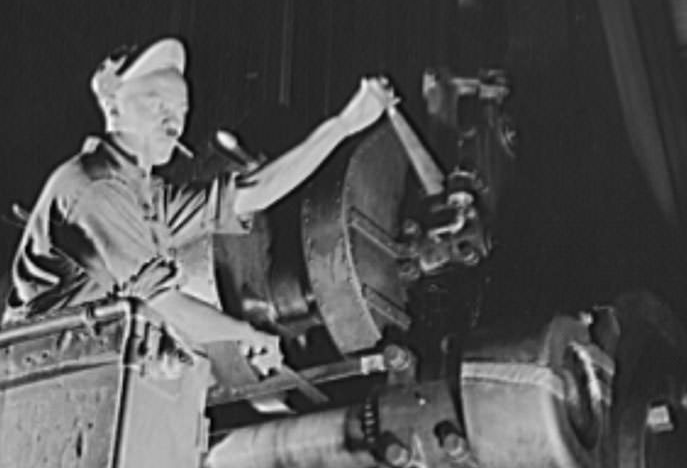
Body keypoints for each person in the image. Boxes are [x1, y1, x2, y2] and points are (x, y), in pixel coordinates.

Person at [1, 37, 396, 374]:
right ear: (114, 108)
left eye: (181, 109)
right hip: (36, 371)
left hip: (83, 361)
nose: (173, 120)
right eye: (156, 102)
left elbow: (251, 193)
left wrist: (344, 125)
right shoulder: (95, 189)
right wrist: (245, 334)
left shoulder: (145, 195)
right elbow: (165, 302)